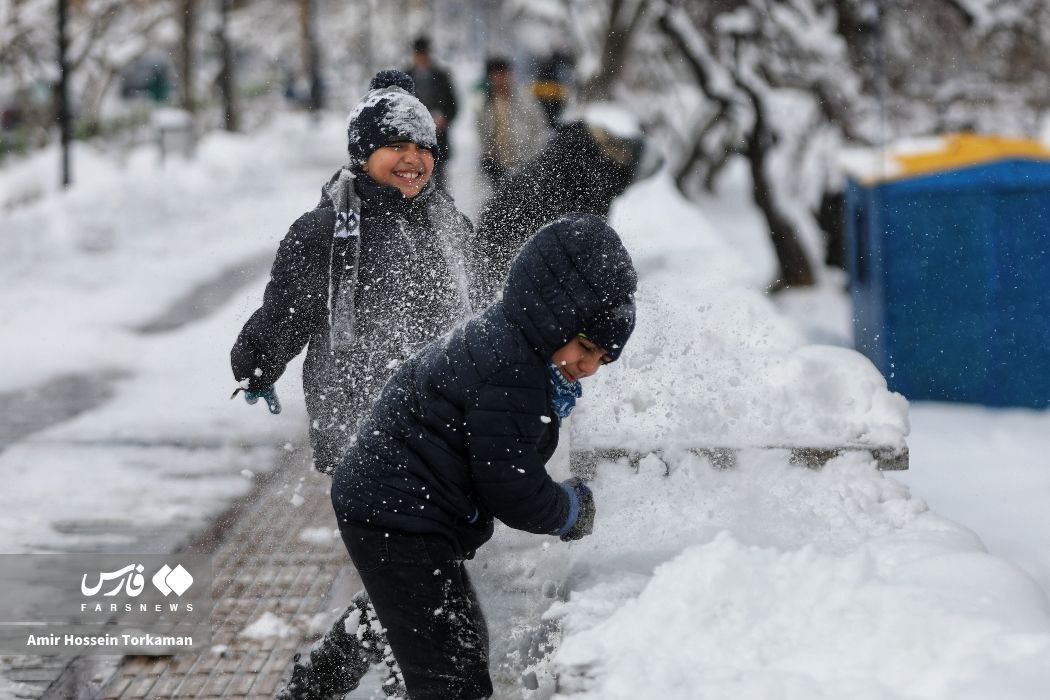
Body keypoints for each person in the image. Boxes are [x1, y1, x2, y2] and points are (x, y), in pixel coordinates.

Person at [280, 213, 637, 699]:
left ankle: (310, 689)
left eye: (604, 359)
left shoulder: (516, 347)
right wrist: (570, 509)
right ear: (554, 317)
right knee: (455, 678)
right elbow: (510, 486)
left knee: (419, 619)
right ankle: (312, 688)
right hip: (399, 515)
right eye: (586, 347)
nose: (590, 367)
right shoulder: (512, 370)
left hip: (398, 507)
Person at [230, 68, 473, 477]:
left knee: (448, 534)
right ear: (363, 154)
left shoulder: (447, 221)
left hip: (444, 416)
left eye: (424, 146)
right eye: (395, 145)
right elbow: (288, 311)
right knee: (391, 535)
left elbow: (483, 302)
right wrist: (257, 365)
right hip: (357, 416)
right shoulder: (327, 230)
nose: (413, 158)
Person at [476, 57, 548, 187]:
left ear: (510, 75)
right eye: (495, 75)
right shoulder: (487, 103)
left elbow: (540, 128)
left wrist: (533, 159)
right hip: (498, 166)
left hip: (525, 165)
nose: (499, 79)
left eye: (502, 74)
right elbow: (482, 132)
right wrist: (487, 154)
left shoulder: (525, 99)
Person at [405, 36, 458, 187]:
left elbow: (453, 105)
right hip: (412, 142)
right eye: (419, 55)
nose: (421, 59)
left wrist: (444, 119)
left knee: (439, 186)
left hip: (438, 141)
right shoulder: (406, 76)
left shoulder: (442, 76)